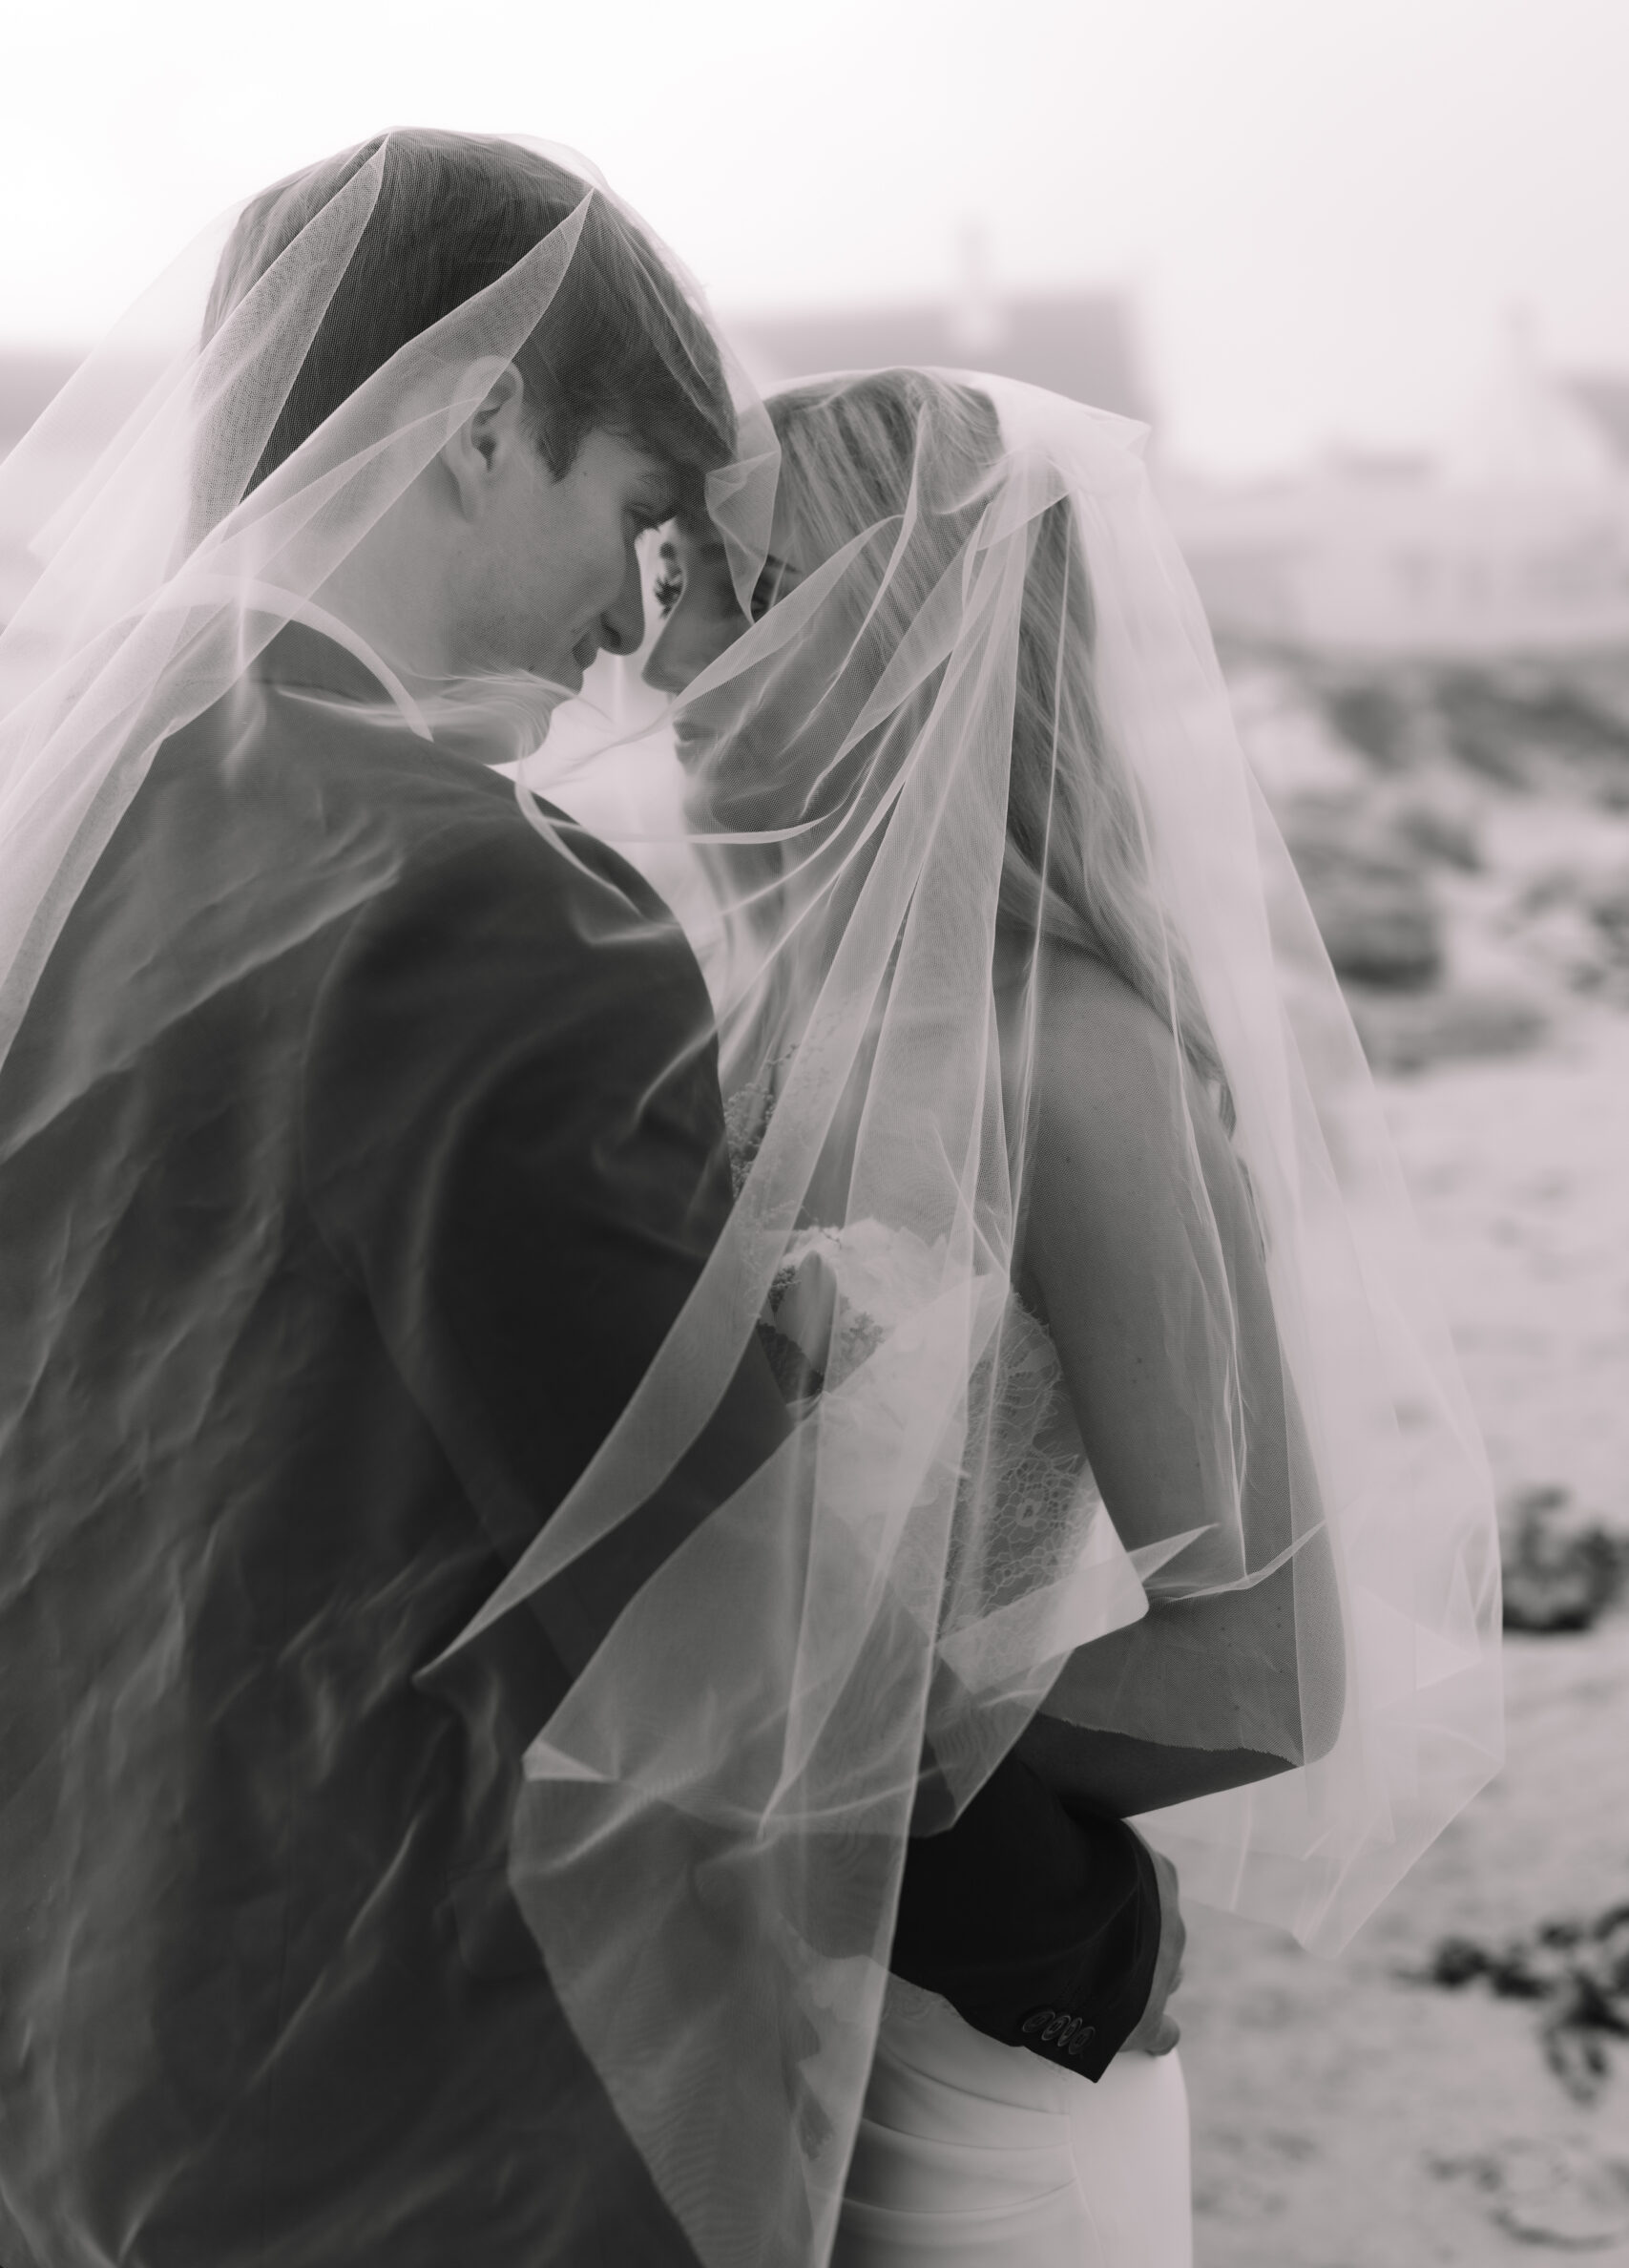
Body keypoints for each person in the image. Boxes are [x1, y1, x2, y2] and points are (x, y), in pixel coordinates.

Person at [0, 138, 1180, 2268]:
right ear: (474, 426)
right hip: (411, 2089)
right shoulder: (474, 895)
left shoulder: (65, 833)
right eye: (638, 515)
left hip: (79, 2035)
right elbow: (717, 1591)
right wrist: (1070, 1921)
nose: (640, 625)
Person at [605, 366, 1504, 2262]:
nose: (650, 648)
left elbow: (1257, 1668)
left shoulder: (1068, 1059)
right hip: (743, 2030)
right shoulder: (764, 1010)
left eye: (712, 586)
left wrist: (832, 1783)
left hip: (968, 2085)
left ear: (866, 632)